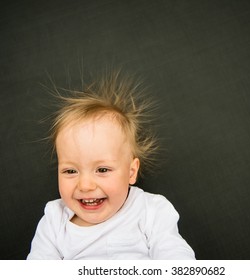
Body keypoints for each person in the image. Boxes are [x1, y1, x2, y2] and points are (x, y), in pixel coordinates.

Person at [27, 72, 195, 260]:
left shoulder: (150, 210)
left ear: (131, 172)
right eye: (70, 171)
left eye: (102, 170)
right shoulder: (54, 221)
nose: (85, 185)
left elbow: (176, 256)